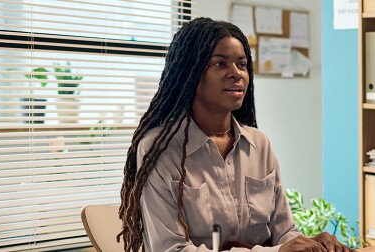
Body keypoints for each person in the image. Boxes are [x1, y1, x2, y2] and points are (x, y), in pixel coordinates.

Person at [117, 17, 351, 252]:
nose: (236, 73)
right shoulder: (159, 150)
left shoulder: (259, 145)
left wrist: (313, 243)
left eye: (242, 64)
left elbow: (283, 231)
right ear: (191, 73)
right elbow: (171, 249)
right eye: (220, 64)